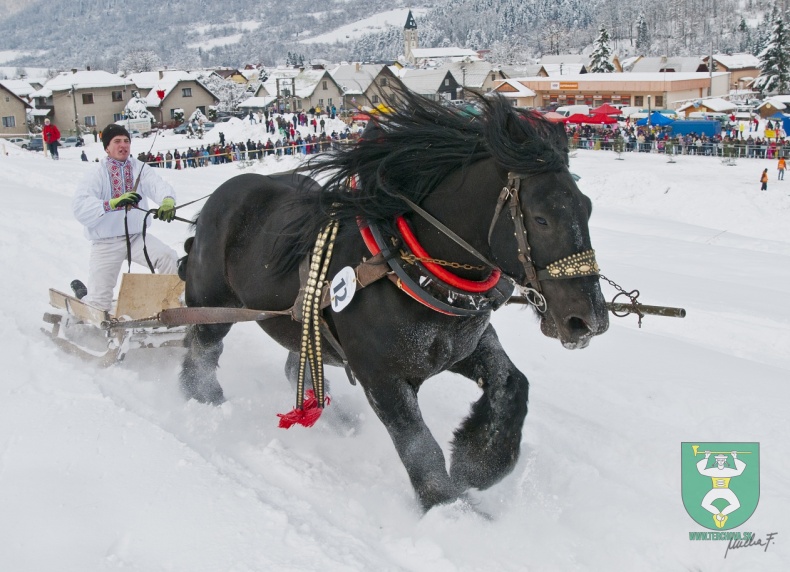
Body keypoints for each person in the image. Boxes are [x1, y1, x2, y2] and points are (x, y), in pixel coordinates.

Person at [71, 124, 178, 311]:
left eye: (126, 141)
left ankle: (170, 306)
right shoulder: (96, 173)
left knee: (168, 257)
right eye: (117, 141)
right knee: (98, 304)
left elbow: (157, 185)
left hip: (137, 237)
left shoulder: (139, 168)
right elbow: (80, 207)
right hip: (106, 243)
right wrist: (111, 203)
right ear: (106, 147)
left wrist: (167, 201)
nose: (123, 145)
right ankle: (80, 306)